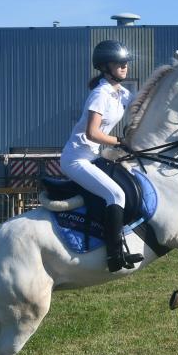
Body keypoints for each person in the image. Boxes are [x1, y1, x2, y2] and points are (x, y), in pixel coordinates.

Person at [60, 39, 143, 272]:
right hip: (76, 159)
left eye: (126, 62)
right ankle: (114, 256)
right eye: (119, 62)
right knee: (116, 194)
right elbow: (92, 132)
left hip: (92, 157)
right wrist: (121, 142)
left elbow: (141, 107)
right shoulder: (100, 93)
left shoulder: (121, 93)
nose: (125, 66)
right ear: (105, 66)